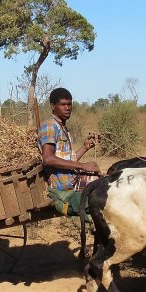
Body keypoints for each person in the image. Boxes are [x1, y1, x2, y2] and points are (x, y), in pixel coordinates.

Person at [38, 87, 100, 217]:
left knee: (108, 179)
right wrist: (82, 166)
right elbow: (48, 158)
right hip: (63, 186)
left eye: (69, 104)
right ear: (53, 106)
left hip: (72, 179)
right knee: (104, 189)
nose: (67, 108)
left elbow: (67, 161)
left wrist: (85, 147)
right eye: (63, 105)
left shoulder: (63, 128)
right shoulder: (50, 126)